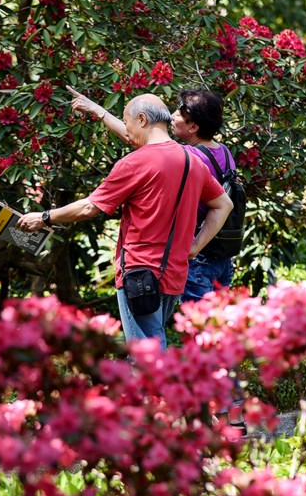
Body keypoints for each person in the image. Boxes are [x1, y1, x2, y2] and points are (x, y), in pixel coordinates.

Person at [16, 93, 233, 349]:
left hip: (140, 273)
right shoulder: (192, 161)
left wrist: (44, 217)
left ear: (141, 119)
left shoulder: (135, 162)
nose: (128, 131)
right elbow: (224, 204)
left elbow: (89, 207)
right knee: (156, 344)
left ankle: (159, 391)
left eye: (127, 122)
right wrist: (194, 246)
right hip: (174, 271)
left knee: (146, 356)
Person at [68, 86, 236, 303]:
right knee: (218, 327)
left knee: (198, 329)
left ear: (193, 126)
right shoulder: (224, 152)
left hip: (197, 256)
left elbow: (137, 139)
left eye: (179, 114)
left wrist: (98, 110)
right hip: (222, 257)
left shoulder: (187, 157)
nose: (172, 117)